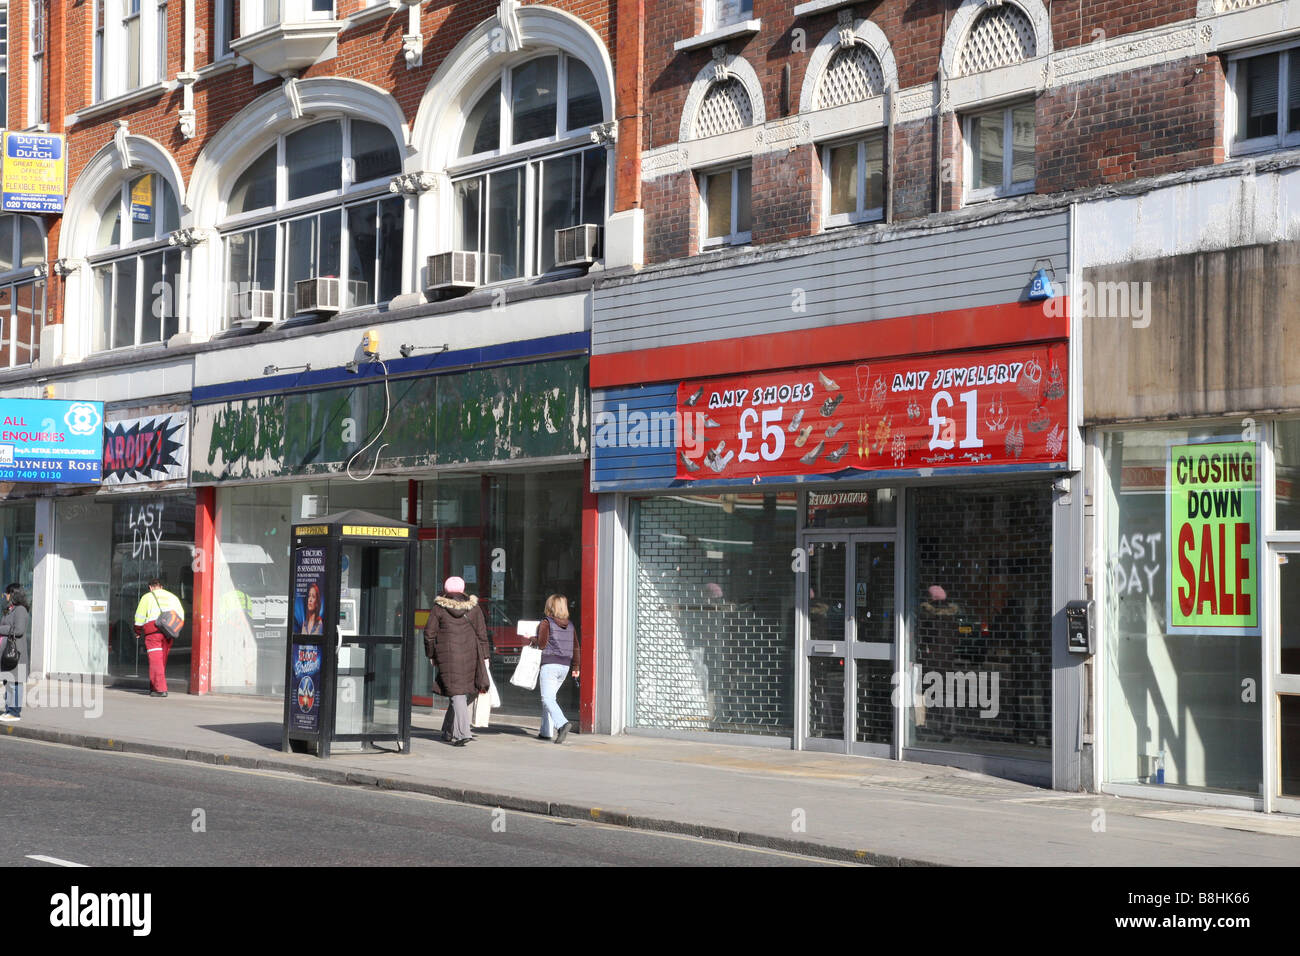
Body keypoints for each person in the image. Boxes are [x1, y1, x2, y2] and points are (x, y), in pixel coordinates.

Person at [423, 576, 489, 746]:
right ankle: (453, 730)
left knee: (457, 693)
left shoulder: (439, 608)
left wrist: (431, 655)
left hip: (447, 656)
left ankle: (459, 732)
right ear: (463, 589)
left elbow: (429, 634)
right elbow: (482, 635)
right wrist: (485, 657)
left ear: (446, 589)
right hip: (471, 654)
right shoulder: (474, 608)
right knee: (459, 693)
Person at [531, 594, 580, 744]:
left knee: (547, 698)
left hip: (550, 664)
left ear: (550, 607)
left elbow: (542, 644)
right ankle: (546, 731)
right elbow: (576, 647)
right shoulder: (570, 625)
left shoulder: (546, 623)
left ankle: (562, 724)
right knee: (550, 698)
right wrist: (576, 667)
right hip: (564, 666)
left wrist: (530, 638)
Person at [133, 578, 185, 698]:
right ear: (161, 587)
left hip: (153, 632)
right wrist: (175, 629)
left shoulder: (147, 597)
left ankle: (160, 688)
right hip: (168, 632)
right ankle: (154, 686)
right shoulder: (172, 597)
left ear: (150, 587)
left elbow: (139, 617)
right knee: (161, 660)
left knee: (155, 660)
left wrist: (137, 631)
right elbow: (181, 615)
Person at [0, 584, 30, 722]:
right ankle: (8, 709)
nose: (5, 596)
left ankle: (15, 712)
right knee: (9, 682)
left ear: (13, 594)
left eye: (6, 593)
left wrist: (2, 629)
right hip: (7, 654)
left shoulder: (21, 610)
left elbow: (18, 630)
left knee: (15, 683)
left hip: (16, 654)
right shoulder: (9, 610)